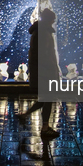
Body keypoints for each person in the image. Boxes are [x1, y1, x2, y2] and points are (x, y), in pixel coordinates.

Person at [20, 8, 61, 137]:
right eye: (52, 19)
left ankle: (27, 116)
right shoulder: (43, 32)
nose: (54, 21)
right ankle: (44, 127)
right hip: (44, 72)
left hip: (43, 71)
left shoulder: (41, 31)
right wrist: (50, 70)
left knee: (45, 98)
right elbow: (44, 54)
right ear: (49, 19)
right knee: (47, 98)